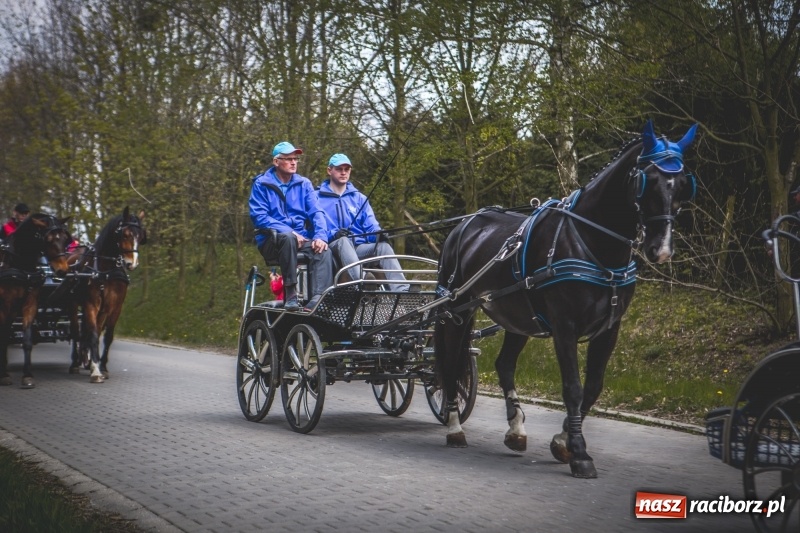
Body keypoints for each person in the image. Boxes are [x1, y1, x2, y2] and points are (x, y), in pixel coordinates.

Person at [249, 141, 333, 312]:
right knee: (287, 238)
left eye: (295, 158)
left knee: (323, 249)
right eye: (288, 159)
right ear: (276, 162)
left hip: (300, 239)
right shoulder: (261, 184)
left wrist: (320, 236)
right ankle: (291, 293)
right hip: (271, 241)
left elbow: (317, 212)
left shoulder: (304, 184)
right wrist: (290, 231)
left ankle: (318, 298)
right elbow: (260, 217)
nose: (293, 162)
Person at [316, 153, 409, 291]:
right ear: (329, 170)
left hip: (358, 248)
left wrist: (378, 234)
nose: (343, 172)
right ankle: (363, 280)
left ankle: (402, 290)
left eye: (346, 169)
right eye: (339, 169)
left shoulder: (360, 198)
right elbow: (314, 228)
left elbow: (371, 225)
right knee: (343, 241)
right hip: (332, 248)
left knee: (383, 247)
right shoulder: (316, 197)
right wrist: (333, 234)